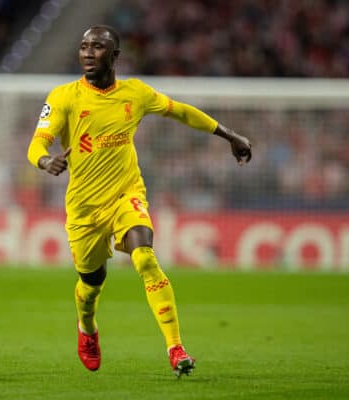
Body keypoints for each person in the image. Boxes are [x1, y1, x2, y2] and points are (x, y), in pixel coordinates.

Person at [27, 25, 252, 377]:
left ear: (114, 56)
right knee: (91, 284)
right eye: (84, 47)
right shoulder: (63, 97)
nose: (87, 53)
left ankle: (175, 348)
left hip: (126, 195)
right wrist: (45, 160)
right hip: (84, 208)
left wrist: (229, 135)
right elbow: (37, 143)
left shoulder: (136, 93)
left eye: (97, 47)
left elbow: (181, 111)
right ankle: (87, 329)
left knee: (145, 257)